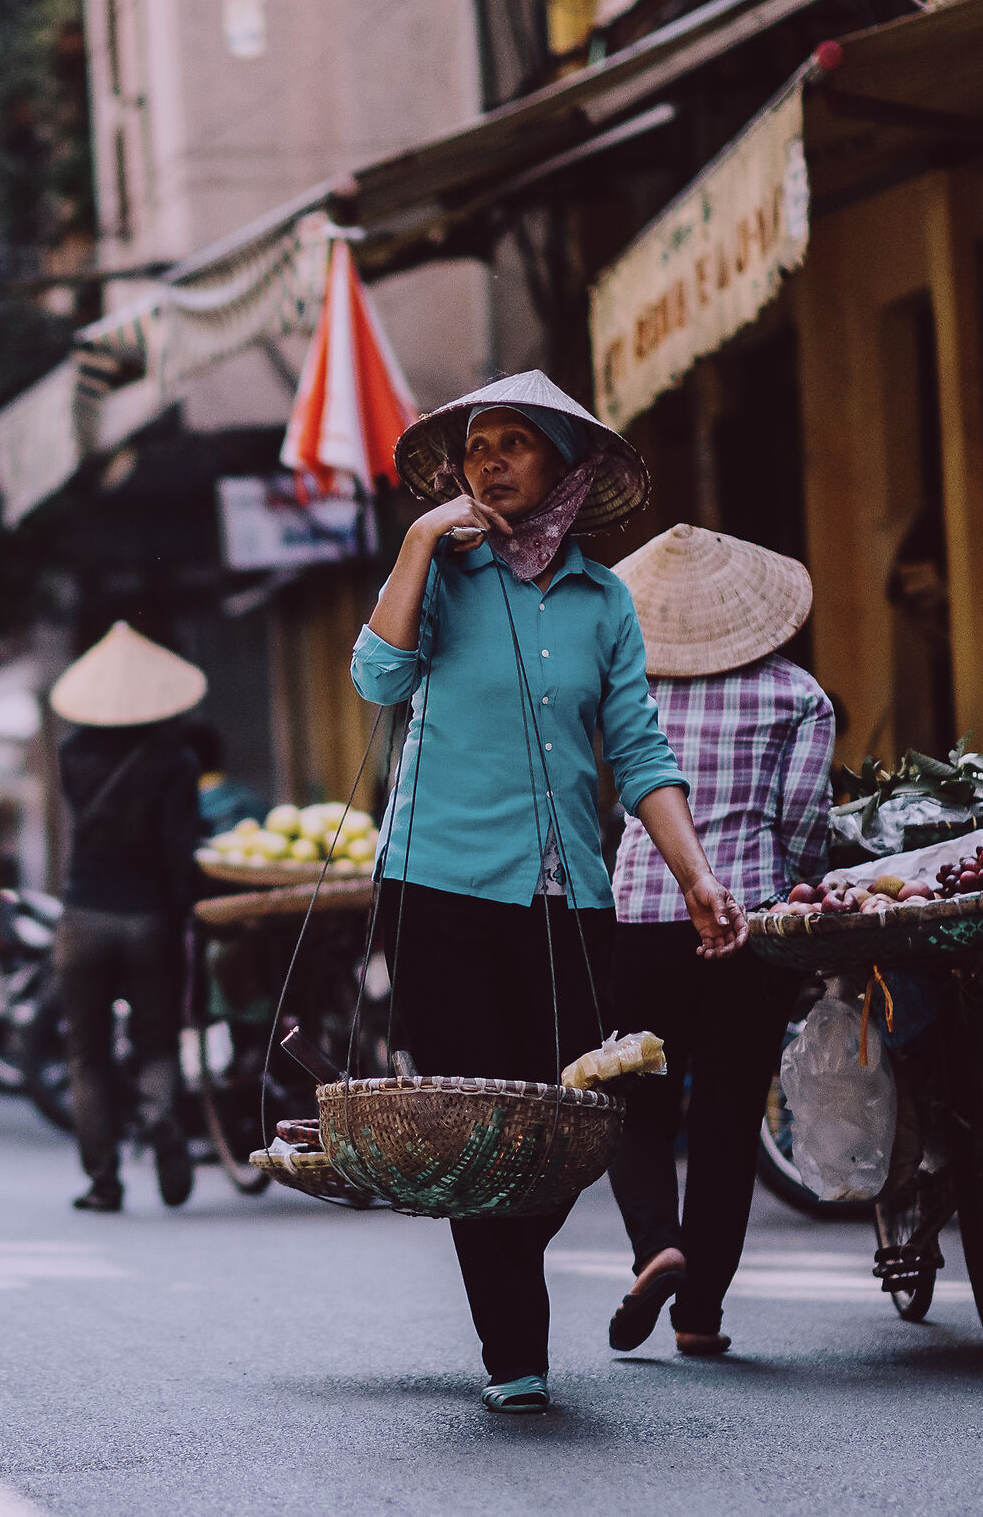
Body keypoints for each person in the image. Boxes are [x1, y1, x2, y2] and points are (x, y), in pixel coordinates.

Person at [351, 371, 746, 1417]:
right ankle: (513, 1353)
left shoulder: (604, 600)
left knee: (572, 1124)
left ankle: (509, 1269)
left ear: (563, 470)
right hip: (434, 889)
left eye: (515, 443)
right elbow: (377, 681)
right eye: (477, 446)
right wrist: (420, 545)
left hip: (567, 896)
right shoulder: (441, 576)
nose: (490, 462)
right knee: (484, 1119)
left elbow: (638, 750)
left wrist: (695, 873)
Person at [600, 525, 835, 1358]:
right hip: (751, 925)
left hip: (640, 916)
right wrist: (800, 883)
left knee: (637, 1103)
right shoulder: (799, 696)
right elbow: (805, 821)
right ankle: (699, 1315)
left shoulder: (630, 693)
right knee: (730, 1113)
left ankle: (655, 1246)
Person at [49, 622, 208, 1213]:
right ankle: (161, 1116)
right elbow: (177, 849)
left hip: (83, 913)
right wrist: (183, 913)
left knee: (86, 1054)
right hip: (147, 918)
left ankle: (102, 1182)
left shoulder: (71, 755)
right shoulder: (176, 760)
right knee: (156, 1042)